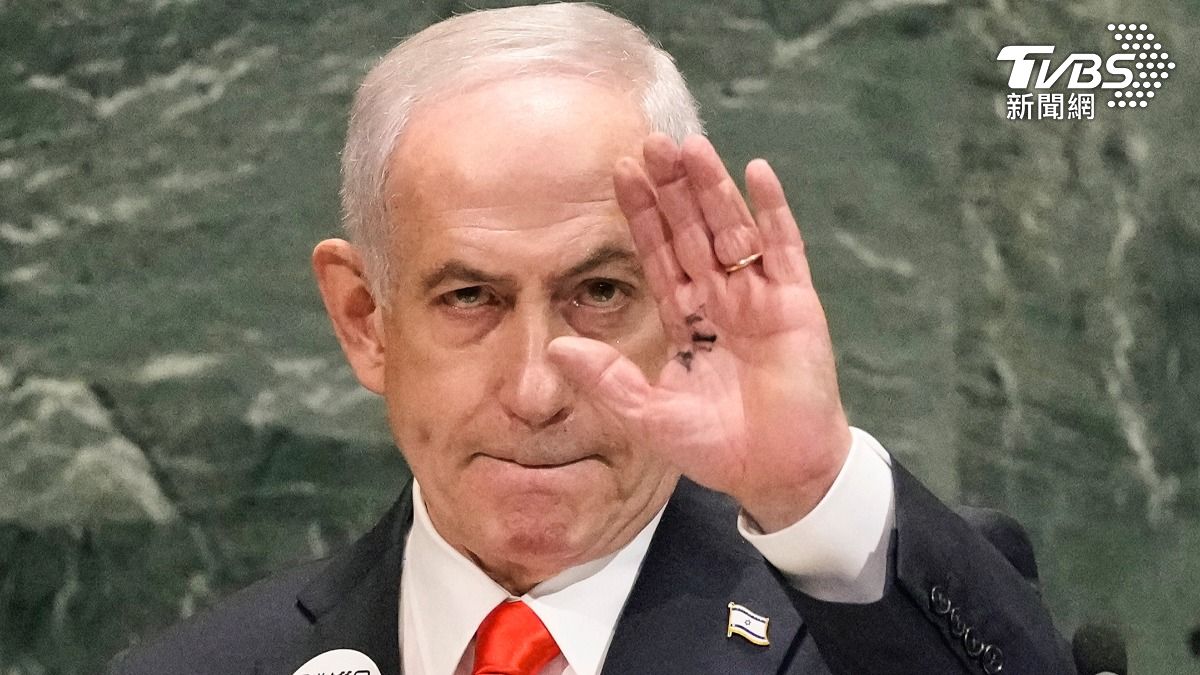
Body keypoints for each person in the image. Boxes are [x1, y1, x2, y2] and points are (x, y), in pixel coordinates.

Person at [108, 3, 1075, 674]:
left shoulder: (869, 626)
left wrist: (809, 487)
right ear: (366, 320)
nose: (538, 389)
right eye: (470, 297)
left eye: (601, 292)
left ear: (691, 303)